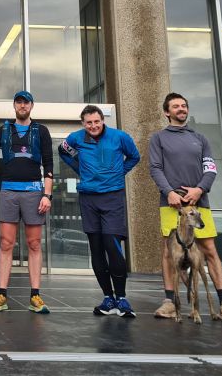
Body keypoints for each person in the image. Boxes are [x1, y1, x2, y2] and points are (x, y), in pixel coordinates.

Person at [149, 92, 222, 322]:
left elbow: (210, 169)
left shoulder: (200, 139)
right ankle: (170, 302)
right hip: (170, 206)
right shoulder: (158, 138)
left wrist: (199, 190)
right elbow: (155, 168)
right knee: (169, 254)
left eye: (184, 105)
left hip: (200, 204)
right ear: (166, 112)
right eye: (175, 106)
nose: (181, 109)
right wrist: (169, 192)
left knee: (210, 250)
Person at [0, 90, 53, 314]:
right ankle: (1, 295)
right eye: (19, 102)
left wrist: (47, 194)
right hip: (9, 192)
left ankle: (35, 296)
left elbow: (49, 165)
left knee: (34, 244)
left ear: (32, 106)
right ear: (14, 105)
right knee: (6, 244)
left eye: (26, 102)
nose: (22, 106)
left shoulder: (41, 131)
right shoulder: (5, 130)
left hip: (34, 193)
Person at [58, 104, 140, 317]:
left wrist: (118, 172)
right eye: (88, 123)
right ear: (83, 124)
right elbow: (62, 150)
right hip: (88, 198)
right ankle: (107, 298)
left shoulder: (120, 137)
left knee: (112, 247)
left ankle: (121, 299)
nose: (93, 126)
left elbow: (134, 157)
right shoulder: (76, 138)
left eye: (96, 121)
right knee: (96, 249)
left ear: (102, 120)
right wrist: (80, 168)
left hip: (112, 197)